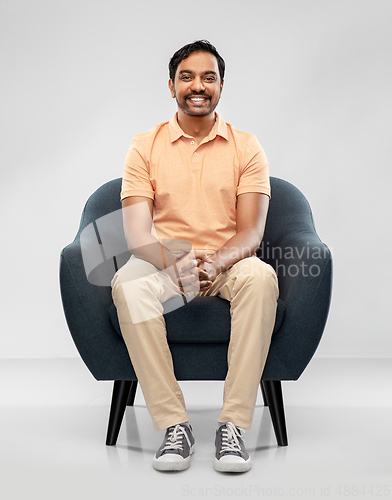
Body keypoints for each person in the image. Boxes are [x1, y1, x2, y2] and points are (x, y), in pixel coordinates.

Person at [111, 40, 279, 473]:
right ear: (171, 86)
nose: (197, 86)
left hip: (228, 261)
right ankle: (174, 425)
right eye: (187, 77)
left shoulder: (247, 146)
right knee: (128, 286)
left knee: (260, 278)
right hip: (164, 260)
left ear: (221, 86)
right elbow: (136, 234)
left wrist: (217, 262)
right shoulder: (144, 146)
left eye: (209, 77)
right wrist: (172, 261)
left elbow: (251, 231)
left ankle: (234, 426)